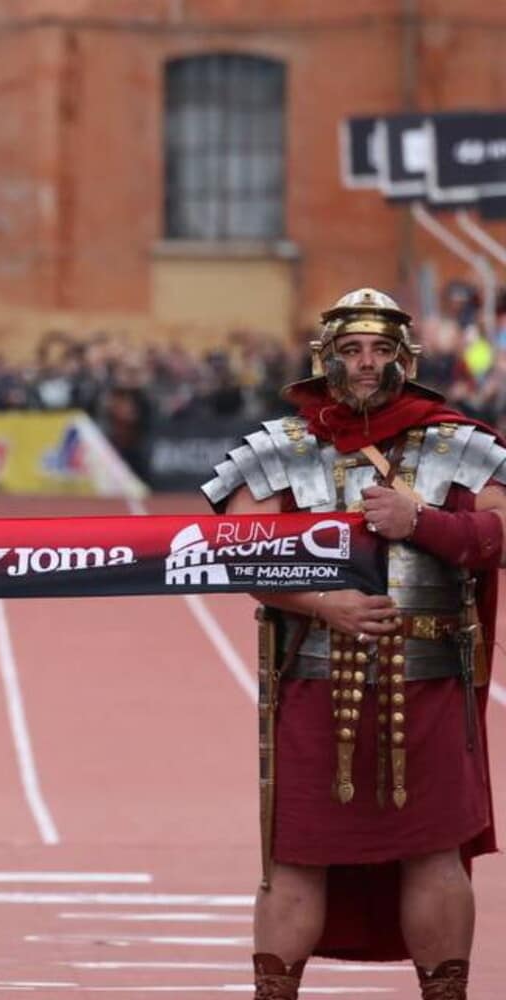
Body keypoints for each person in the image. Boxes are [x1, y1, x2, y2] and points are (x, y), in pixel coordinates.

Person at [202, 289, 496, 1000]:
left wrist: (421, 521)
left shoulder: (457, 443)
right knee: (295, 858)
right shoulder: (278, 447)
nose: (367, 363)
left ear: (405, 359)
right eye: (352, 350)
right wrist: (321, 604)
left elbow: (500, 532)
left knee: (433, 853)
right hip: (314, 680)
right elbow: (239, 552)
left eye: (381, 350)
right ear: (325, 359)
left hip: (429, 680)